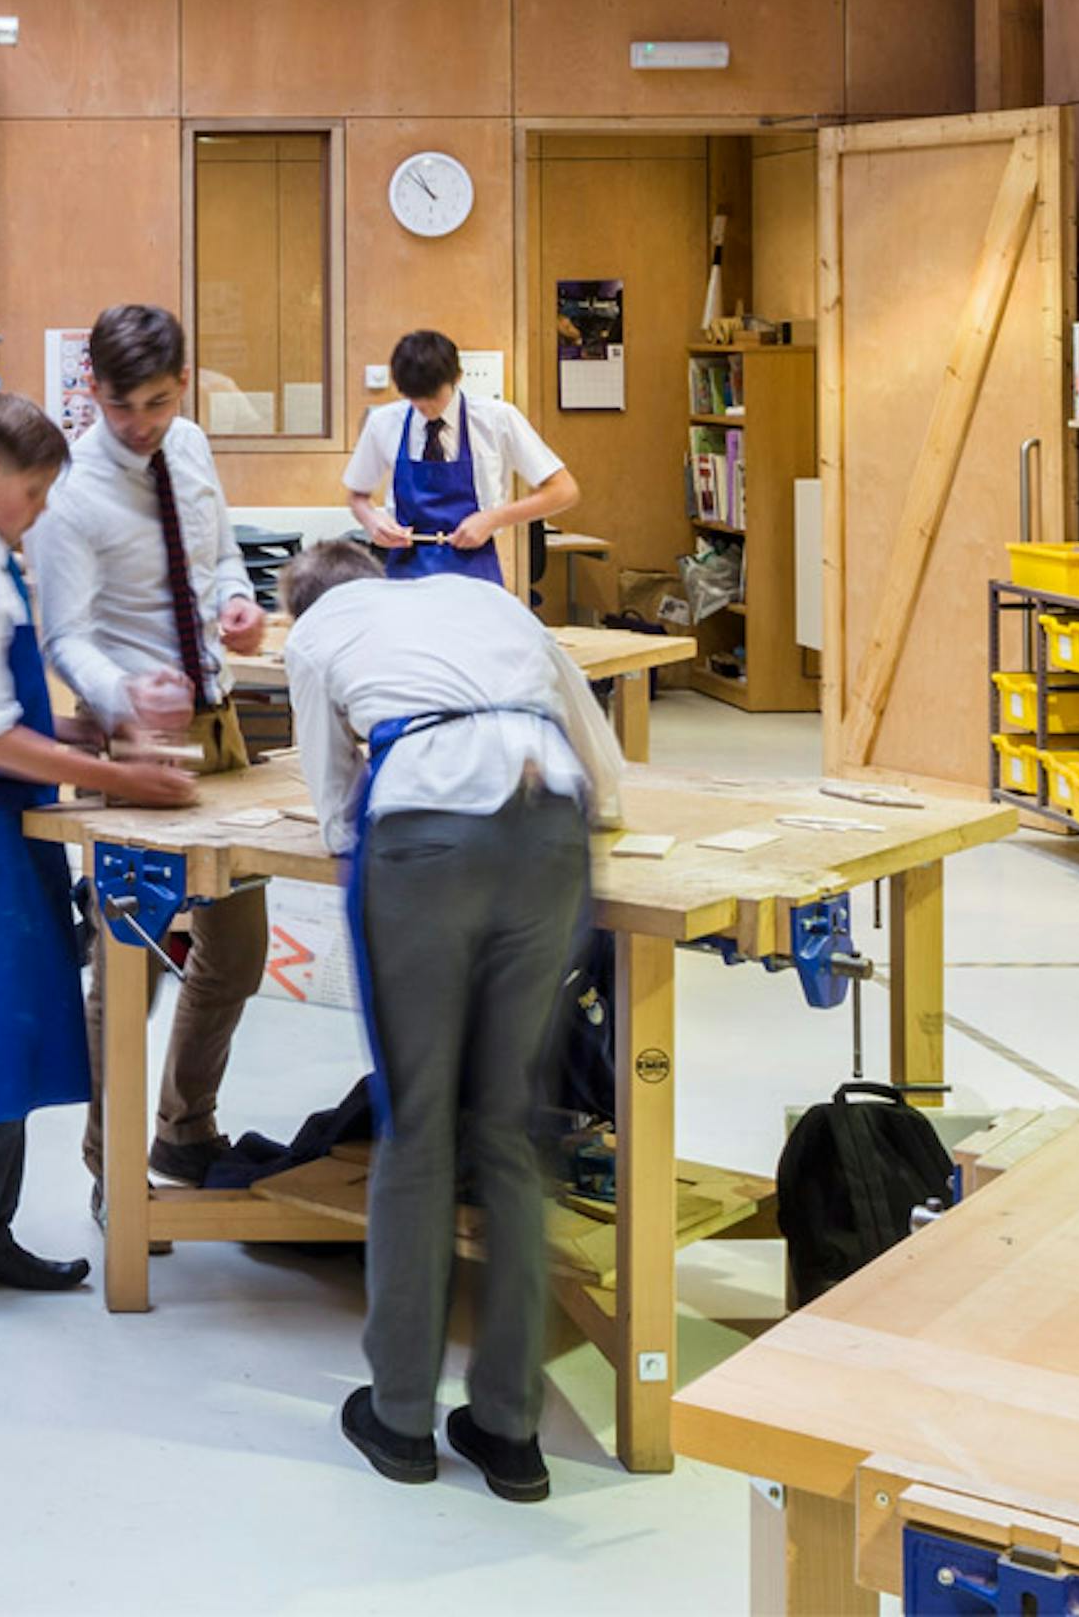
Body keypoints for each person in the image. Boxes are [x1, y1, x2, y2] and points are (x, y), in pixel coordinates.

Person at [284, 535, 621, 1501]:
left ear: (304, 606)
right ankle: (511, 1429)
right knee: (509, 1128)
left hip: (427, 836)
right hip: (548, 821)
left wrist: (384, 840)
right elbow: (596, 753)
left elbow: (332, 802)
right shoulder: (487, 601)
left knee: (420, 1124)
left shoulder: (316, 637)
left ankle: (399, 1418)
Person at [0, 391, 195, 1357]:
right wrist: (114, 778)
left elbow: (3, 709)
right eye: (33, 489)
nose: (41, 507)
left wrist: (90, 729)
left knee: (5, 1035)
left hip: (5, 817)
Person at [31, 302, 272, 1203]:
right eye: (124, 405)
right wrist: (123, 699)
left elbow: (218, 557)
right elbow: (67, 636)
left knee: (238, 949)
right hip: (132, 750)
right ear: (92, 388)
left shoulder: (194, 446)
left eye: (161, 402)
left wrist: (241, 606)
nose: (142, 424)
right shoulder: (71, 492)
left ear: (183, 384)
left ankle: (185, 1127)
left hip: (218, 731)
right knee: (126, 965)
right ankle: (110, 1169)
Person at [343, 329, 578, 591]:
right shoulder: (384, 422)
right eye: (414, 400)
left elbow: (564, 490)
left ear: (457, 378)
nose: (425, 408)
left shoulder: (497, 419)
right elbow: (357, 496)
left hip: (475, 574)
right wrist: (372, 521)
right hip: (404, 573)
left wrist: (493, 519)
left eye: (433, 397)